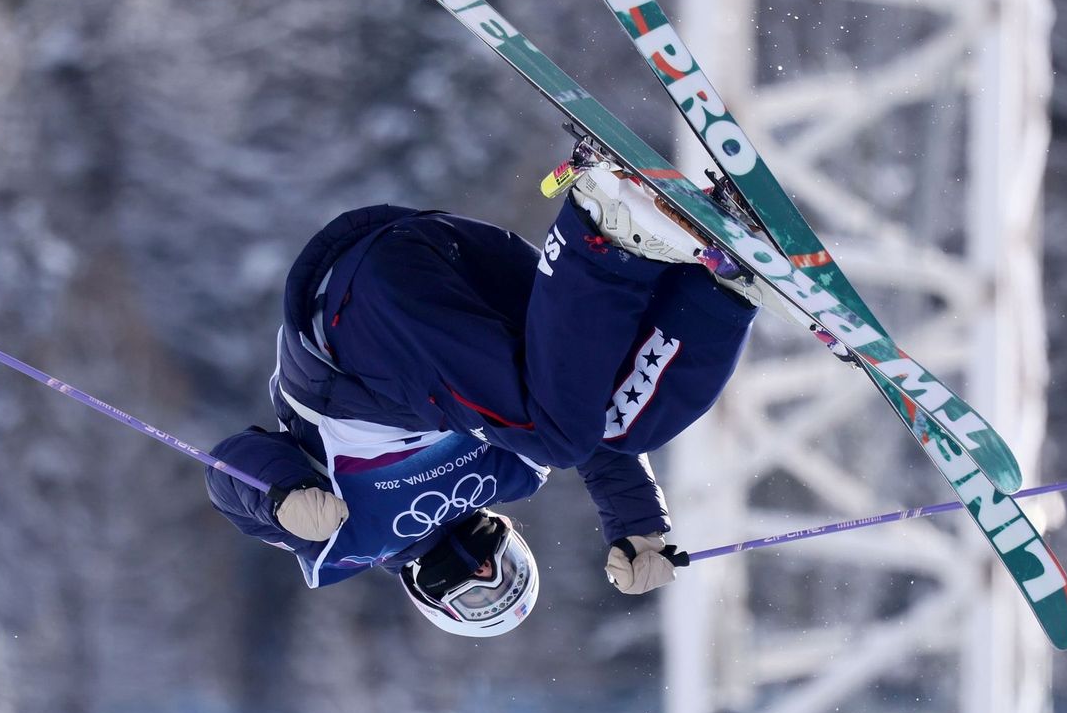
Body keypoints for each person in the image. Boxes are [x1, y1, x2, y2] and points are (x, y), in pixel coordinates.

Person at [205, 165, 761, 637]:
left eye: (471, 597)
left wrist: (281, 497)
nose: (484, 570)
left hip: (361, 329)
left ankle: (604, 228)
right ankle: (719, 282)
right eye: (508, 575)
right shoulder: (516, 469)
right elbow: (595, 432)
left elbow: (228, 471)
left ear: (427, 595)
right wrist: (638, 526)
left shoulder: (346, 543)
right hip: (464, 271)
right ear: (516, 542)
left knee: (562, 434)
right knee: (614, 420)